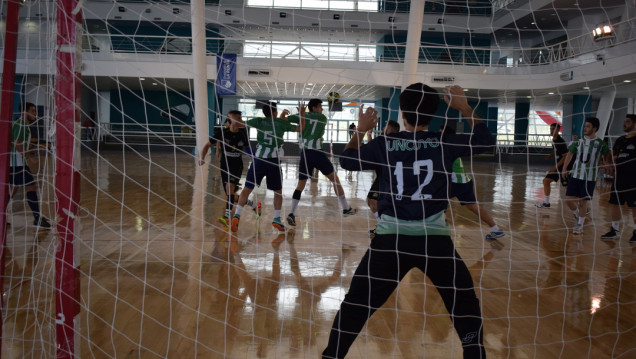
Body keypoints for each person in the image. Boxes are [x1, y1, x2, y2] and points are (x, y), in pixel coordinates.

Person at [322, 84, 493, 359]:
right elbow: (485, 141)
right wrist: (464, 108)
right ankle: (475, 353)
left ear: (402, 113)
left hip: (390, 241)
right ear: (435, 113)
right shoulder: (444, 142)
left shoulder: (384, 144)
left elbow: (347, 161)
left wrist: (361, 129)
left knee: (356, 304)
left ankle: (332, 356)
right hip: (434, 242)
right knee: (464, 304)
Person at [231, 102, 304, 232]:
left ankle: (237, 214)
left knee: (247, 189)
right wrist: (302, 114)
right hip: (274, 162)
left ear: (264, 112)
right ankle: (276, 218)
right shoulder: (281, 123)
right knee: (278, 192)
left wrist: (235, 119)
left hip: (258, 160)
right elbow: (301, 128)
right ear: (275, 112)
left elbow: (240, 125)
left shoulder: (259, 121)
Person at [284, 98, 355, 227]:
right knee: (335, 180)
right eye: (320, 107)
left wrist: (296, 114)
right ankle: (345, 208)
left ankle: (291, 213)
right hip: (317, 153)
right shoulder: (323, 118)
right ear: (315, 108)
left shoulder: (302, 115)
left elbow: (284, 120)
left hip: (305, 154)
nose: (322, 109)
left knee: (300, 185)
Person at [442, 125, 504, 240]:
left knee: (437, 206)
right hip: (465, 182)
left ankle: (440, 233)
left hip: (455, 183)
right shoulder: (454, 147)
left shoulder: (446, 148)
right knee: (475, 208)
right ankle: (496, 229)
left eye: (440, 133)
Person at [199, 110, 258, 230]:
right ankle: (254, 205)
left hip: (237, 165)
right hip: (224, 164)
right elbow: (207, 145)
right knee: (229, 193)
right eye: (238, 119)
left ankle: (226, 217)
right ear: (231, 120)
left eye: (241, 119)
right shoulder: (222, 132)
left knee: (230, 189)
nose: (241, 121)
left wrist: (255, 158)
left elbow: (247, 149)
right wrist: (202, 158)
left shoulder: (243, 133)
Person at [562, 117, 611, 235]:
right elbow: (570, 154)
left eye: (588, 126)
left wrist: (606, 164)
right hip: (575, 175)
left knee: (583, 202)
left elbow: (607, 158)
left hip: (589, 178)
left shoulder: (601, 144)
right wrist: (564, 168)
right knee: (568, 199)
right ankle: (577, 215)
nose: (585, 128)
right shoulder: (579, 141)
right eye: (585, 126)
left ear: (595, 128)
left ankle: (580, 225)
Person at [9, 102, 51, 228]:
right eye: (33, 111)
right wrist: (30, 157)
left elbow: (20, 143)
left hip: (16, 164)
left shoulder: (24, 125)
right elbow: (17, 143)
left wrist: (34, 148)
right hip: (17, 164)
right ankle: (37, 218)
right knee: (31, 187)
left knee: (12, 190)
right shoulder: (20, 124)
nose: (35, 114)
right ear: (24, 112)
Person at [600, 114, 636, 242]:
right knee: (615, 203)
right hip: (619, 177)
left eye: (627, 122)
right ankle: (614, 230)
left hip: (633, 179)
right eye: (624, 121)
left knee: (633, 205)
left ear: (634, 123)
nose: (624, 124)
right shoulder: (620, 140)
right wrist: (608, 162)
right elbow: (611, 154)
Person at [367, 120, 400, 235]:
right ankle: (383, 226)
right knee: (372, 201)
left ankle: (384, 228)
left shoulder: (384, 141)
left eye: (385, 127)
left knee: (373, 202)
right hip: (384, 176)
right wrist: (369, 135)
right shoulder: (395, 142)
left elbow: (371, 150)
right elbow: (373, 150)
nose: (383, 129)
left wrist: (368, 134)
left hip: (385, 178)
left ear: (389, 130)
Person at [536, 123, 572, 208]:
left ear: (558, 130)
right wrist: (551, 155)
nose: (551, 131)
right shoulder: (554, 140)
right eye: (551, 129)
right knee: (546, 181)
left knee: (569, 189)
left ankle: (584, 207)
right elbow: (556, 151)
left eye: (553, 129)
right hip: (558, 167)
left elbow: (565, 157)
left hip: (564, 167)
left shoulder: (560, 142)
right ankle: (546, 203)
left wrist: (555, 167)